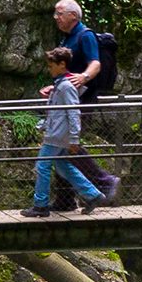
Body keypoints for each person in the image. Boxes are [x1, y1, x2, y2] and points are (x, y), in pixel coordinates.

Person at [50, 0, 120, 197]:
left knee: (69, 146)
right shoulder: (67, 38)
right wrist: (53, 87)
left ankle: (105, 181)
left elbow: (95, 64)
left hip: (83, 99)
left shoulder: (85, 35)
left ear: (73, 15)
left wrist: (84, 77)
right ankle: (65, 199)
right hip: (68, 98)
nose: (56, 17)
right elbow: (68, 72)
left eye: (59, 13)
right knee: (62, 146)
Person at [24, 48, 108, 218]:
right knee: (63, 166)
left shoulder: (66, 86)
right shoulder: (60, 85)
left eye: (51, 65)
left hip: (57, 136)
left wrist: (74, 138)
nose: (49, 69)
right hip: (58, 134)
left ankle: (40, 205)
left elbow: (73, 111)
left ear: (62, 65)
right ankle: (93, 195)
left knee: (42, 166)